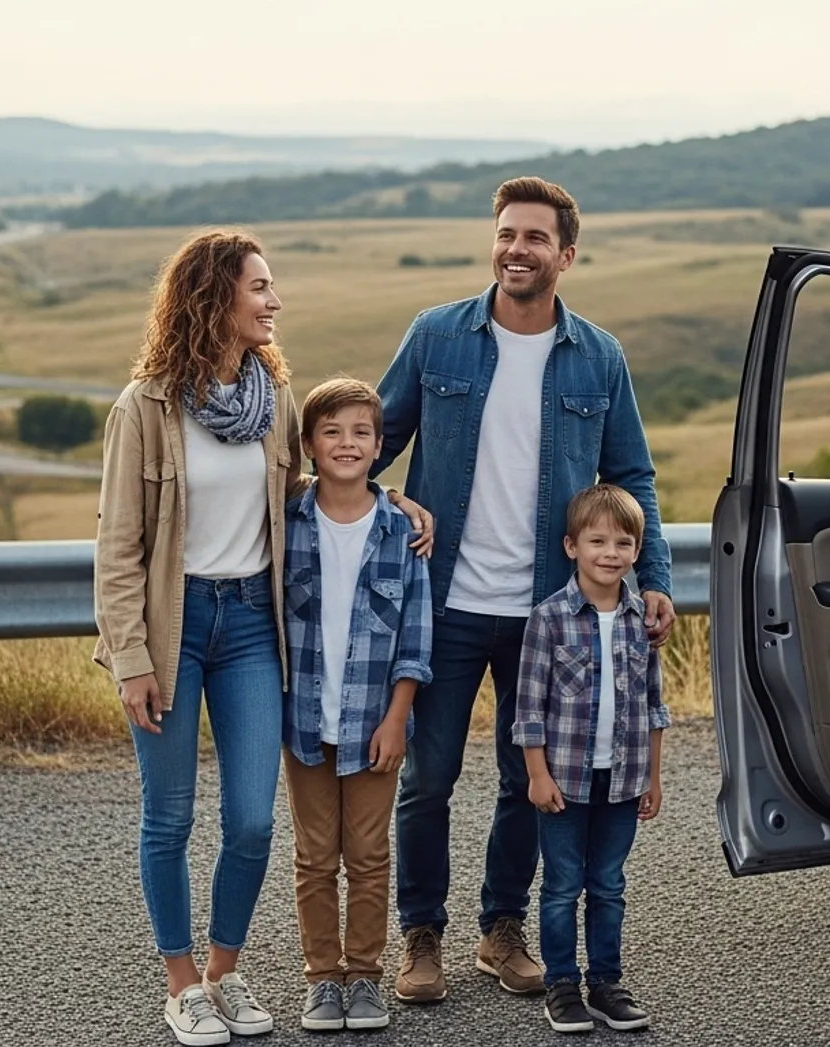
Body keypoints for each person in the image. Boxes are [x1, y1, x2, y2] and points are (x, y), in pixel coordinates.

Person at [93, 231, 431, 1046]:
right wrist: (132, 657)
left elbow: (311, 482)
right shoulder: (144, 408)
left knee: (251, 820)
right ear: (215, 297)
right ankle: (181, 986)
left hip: (251, 623)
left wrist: (393, 501)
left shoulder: (273, 399)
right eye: (260, 288)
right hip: (174, 626)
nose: (274, 302)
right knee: (169, 816)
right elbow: (117, 545)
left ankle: (223, 972)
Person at [371, 176, 675, 1003]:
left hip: (549, 615)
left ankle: (500, 930)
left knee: (523, 777)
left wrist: (653, 578)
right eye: (507, 233)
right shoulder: (436, 337)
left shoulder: (598, 356)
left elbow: (634, 474)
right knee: (427, 777)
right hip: (445, 603)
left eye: (535, 237)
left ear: (565, 256)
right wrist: (391, 498)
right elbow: (369, 446)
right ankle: (421, 936)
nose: (516, 248)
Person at [279, 378, 433, 1033]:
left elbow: (416, 633)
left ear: (379, 445)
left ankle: (365, 976)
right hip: (306, 718)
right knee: (315, 855)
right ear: (309, 443)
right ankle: (322, 979)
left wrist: (398, 716)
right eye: (332, 431)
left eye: (361, 433)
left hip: (376, 720)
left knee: (369, 853)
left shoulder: (402, 529)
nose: (347, 443)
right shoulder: (285, 519)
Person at [513, 484, 669, 1034]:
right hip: (564, 780)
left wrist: (653, 776)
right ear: (571, 546)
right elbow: (528, 708)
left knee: (608, 883)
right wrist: (536, 774)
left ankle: (606, 983)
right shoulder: (549, 619)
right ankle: (562, 985)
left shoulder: (640, 621)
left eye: (623, 543)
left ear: (636, 550)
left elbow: (654, 706)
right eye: (597, 540)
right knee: (561, 885)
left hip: (623, 780)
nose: (610, 552)